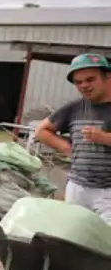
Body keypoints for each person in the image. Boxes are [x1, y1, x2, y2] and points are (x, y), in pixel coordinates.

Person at [34, 52, 111, 223]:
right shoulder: (75, 107)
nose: (84, 85)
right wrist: (66, 148)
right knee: (74, 235)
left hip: (108, 192)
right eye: (78, 82)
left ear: (107, 76)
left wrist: (105, 138)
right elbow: (42, 130)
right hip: (78, 187)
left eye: (90, 79)